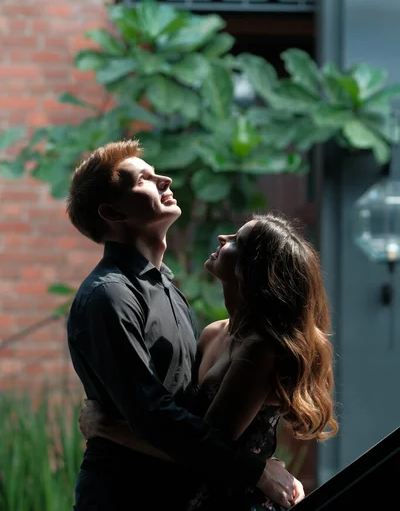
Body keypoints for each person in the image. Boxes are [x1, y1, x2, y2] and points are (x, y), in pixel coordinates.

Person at [66, 139, 304, 511]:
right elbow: (156, 417)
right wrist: (254, 471)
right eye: (144, 179)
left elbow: (196, 417)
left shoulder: (168, 289)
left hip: (176, 494)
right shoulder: (109, 296)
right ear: (112, 213)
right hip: (124, 495)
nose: (165, 179)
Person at [79, 212, 338, 510]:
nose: (222, 238)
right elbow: (184, 426)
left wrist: (108, 428)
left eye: (236, 241)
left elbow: (205, 449)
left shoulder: (260, 350)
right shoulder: (214, 332)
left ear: (253, 269)